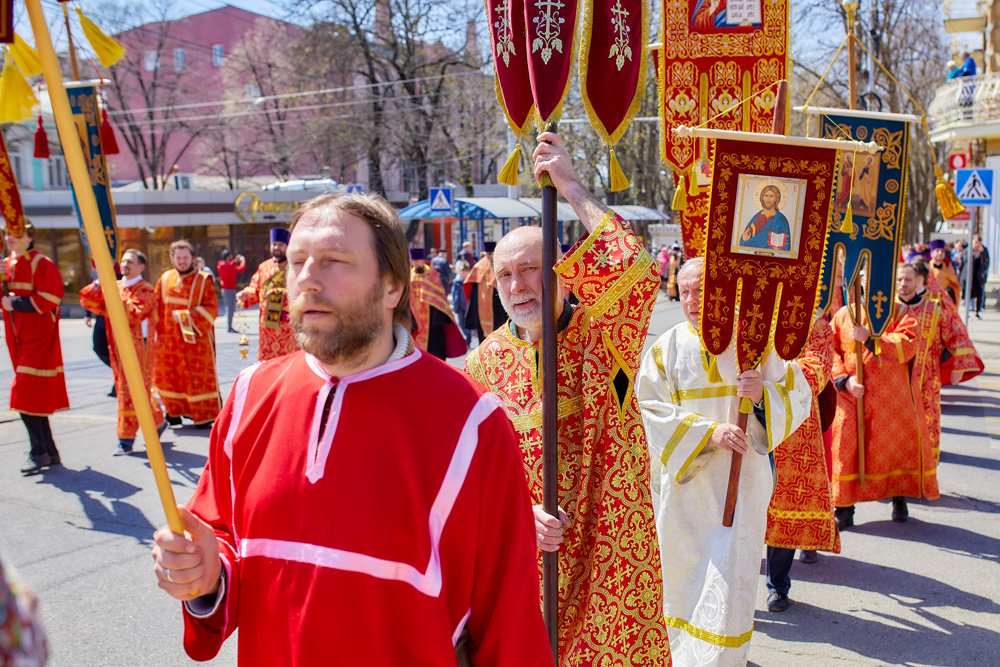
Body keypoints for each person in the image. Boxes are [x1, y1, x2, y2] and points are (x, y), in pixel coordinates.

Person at [150, 193, 552, 664]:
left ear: (392, 288)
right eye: (298, 261)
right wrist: (204, 574)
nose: (306, 279)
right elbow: (225, 543)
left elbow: (509, 620)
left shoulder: (472, 420)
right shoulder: (248, 396)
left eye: (334, 261)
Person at [464, 133, 670, 664]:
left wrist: (570, 185)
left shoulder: (606, 333)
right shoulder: (485, 361)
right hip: (528, 549)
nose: (517, 285)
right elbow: (475, 464)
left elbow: (632, 266)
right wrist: (519, 512)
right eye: (505, 275)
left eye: (530, 269)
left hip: (607, 550)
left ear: (560, 270)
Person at [636, 257, 810, 666]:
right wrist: (706, 433)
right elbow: (647, 408)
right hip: (686, 490)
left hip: (742, 483)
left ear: (724, 291)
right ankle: (681, 657)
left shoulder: (754, 341)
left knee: (731, 578)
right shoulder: (667, 346)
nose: (693, 300)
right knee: (682, 573)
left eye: (702, 290)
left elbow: (798, 394)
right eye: (685, 291)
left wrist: (763, 395)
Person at [763, 312, 840, 612]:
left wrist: (771, 378)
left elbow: (819, 368)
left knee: (785, 507)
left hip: (793, 424)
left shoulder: (814, 322)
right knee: (740, 508)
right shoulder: (743, 311)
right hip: (744, 415)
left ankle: (777, 586)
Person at [829, 283, 922, 528]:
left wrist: (872, 338)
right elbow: (831, 349)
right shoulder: (843, 314)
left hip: (889, 397)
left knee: (892, 446)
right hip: (851, 395)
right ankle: (844, 507)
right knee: (845, 448)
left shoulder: (899, 311)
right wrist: (845, 380)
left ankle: (899, 497)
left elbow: (909, 342)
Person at [894, 262, 982, 517]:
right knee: (896, 435)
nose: (903, 284)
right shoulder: (887, 308)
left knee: (926, 432)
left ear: (920, 281)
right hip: (894, 383)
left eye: (908, 280)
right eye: (900, 280)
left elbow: (956, 335)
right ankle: (896, 488)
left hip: (926, 382)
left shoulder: (934, 310)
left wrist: (960, 365)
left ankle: (921, 480)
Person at [79, 249, 167, 455]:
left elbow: (134, 314)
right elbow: (90, 301)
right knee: (127, 389)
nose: (125, 265)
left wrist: (113, 295)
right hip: (117, 347)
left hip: (139, 349)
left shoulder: (146, 290)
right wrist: (100, 283)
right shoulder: (115, 286)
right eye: (124, 261)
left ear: (141, 266)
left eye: (130, 261)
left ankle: (125, 438)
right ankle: (157, 422)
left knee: (129, 392)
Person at [2, 223, 69, 475]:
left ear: (30, 237)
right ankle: (49, 451)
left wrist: (15, 302)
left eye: (17, 235)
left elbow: (52, 296)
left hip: (38, 339)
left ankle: (37, 452)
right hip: (18, 338)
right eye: (9, 234)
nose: (11, 239)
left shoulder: (42, 263)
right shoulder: (7, 263)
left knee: (23, 394)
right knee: (32, 398)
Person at [153, 240, 221, 427]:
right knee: (170, 377)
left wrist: (186, 316)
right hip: (168, 340)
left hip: (195, 342)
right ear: (172, 258)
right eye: (178, 257)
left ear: (192, 258)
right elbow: (156, 306)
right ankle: (173, 412)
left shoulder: (203, 280)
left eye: (185, 257)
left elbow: (212, 308)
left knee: (195, 379)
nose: (182, 261)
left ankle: (201, 415)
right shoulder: (165, 279)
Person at [237, 228, 297, 361]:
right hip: (267, 327)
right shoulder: (264, 267)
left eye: (280, 245)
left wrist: (278, 294)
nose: (276, 247)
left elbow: (300, 292)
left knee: (288, 362)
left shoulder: (295, 267)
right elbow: (255, 288)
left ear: (288, 246)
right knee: (267, 363)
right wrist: (245, 294)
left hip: (287, 327)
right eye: (274, 244)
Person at [409, 248, 466, 360]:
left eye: (418, 260)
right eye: (414, 261)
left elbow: (437, 293)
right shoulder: (410, 274)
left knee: (435, 346)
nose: (415, 263)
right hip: (415, 316)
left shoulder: (430, 272)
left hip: (434, 316)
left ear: (423, 260)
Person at [462, 241, 505, 343]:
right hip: (482, 305)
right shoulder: (479, 265)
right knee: (484, 340)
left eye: (491, 253)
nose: (489, 255)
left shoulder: (502, 264)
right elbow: (472, 287)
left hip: (498, 306)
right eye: (487, 253)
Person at [738, 184, 790, 252]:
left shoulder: (781, 219)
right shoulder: (756, 217)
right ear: (762, 198)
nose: (768, 199)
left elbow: (786, 247)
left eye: (771, 196)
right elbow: (742, 243)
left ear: (776, 199)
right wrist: (744, 240)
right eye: (766, 196)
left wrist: (778, 250)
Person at [216, 250, 246, 333]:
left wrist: (235, 261)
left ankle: (229, 326)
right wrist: (243, 261)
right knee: (230, 308)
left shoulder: (222, 265)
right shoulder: (225, 266)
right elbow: (239, 269)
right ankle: (229, 327)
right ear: (227, 257)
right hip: (229, 289)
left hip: (227, 289)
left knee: (229, 308)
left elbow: (230, 265)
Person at [451, 259, 473, 345]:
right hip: (460, 306)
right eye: (462, 272)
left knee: (467, 323)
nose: (463, 274)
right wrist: (455, 305)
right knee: (461, 323)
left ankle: (468, 338)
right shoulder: (457, 282)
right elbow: (454, 295)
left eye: (465, 272)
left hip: (468, 306)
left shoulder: (470, 281)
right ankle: (467, 336)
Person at [971, 234, 990, 317]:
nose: (976, 243)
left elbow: (986, 262)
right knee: (969, 293)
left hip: (979, 276)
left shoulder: (984, 250)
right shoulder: (970, 250)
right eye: (975, 241)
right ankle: (970, 309)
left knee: (979, 293)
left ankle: (977, 310)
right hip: (971, 276)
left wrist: (981, 253)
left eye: (978, 241)